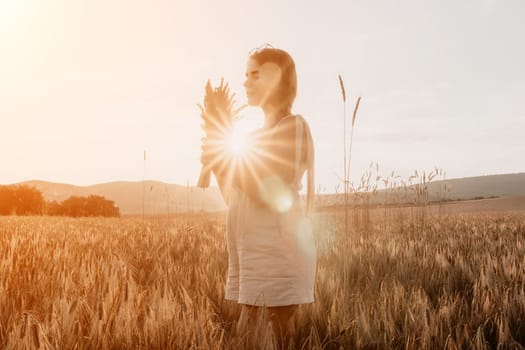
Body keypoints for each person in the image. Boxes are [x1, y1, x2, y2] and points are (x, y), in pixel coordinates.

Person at [201, 46, 316, 348]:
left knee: (278, 335)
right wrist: (218, 164)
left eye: (254, 75)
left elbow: (272, 191)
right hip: (253, 257)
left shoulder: (294, 127)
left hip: (279, 255)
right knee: (248, 337)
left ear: (276, 78)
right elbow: (236, 200)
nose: (245, 83)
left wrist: (226, 160)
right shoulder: (252, 140)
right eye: (245, 76)